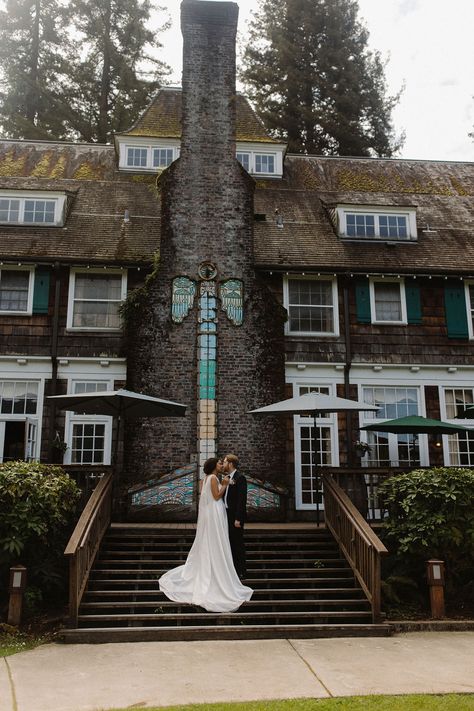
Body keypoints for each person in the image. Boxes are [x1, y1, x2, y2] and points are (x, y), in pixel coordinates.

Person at [158, 457, 252, 612]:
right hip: (215, 511)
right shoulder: (214, 478)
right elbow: (216, 496)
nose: (222, 464)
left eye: (224, 462)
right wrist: (225, 485)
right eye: (220, 463)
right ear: (214, 466)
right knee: (217, 541)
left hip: (214, 512)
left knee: (217, 541)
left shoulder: (207, 478)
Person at [222, 453, 247, 579]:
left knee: (237, 543)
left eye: (225, 462)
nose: (223, 464)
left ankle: (241, 571)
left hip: (235, 517)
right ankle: (232, 571)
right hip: (226, 515)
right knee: (229, 543)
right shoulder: (226, 477)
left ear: (231, 464)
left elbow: (241, 500)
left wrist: (238, 518)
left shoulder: (240, 478)